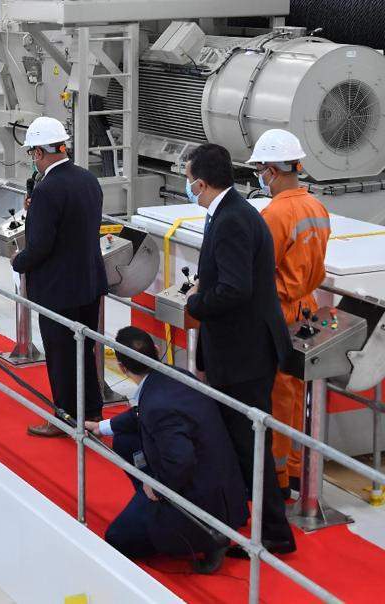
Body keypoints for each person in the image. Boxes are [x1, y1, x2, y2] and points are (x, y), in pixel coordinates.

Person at [183, 143, 297, 556]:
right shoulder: (229, 212)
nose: (187, 185)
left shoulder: (232, 220)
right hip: (237, 347)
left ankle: (274, 534)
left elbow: (234, 288)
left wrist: (196, 302)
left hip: (244, 353)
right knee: (240, 441)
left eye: (188, 178)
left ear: (202, 183)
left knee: (250, 444)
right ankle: (248, 519)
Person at [86, 327, 247, 574]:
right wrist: (102, 427)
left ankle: (202, 536)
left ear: (122, 368)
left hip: (199, 500)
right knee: (124, 441)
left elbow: (181, 459)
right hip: (221, 482)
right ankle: (153, 504)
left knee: (117, 538)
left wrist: (158, 486)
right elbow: (140, 413)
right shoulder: (176, 375)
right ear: (156, 350)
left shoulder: (158, 406)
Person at [248, 129, 331, 496]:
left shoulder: (274, 214)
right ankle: (297, 469)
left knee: (278, 397)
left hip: (279, 312)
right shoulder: (317, 207)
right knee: (299, 395)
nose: (259, 177)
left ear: (271, 170)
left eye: (260, 170)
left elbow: (261, 269)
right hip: (307, 309)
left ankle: (278, 478)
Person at [12, 117, 106, 436]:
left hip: (58, 289)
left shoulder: (47, 189)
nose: (33, 160)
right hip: (89, 283)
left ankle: (64, 417)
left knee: (60, 354)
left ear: (39, 152)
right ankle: (91, 412)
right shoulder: (88, 179)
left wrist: (18, 261)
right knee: (84, 350)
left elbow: (40, 246)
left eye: (32, 153)